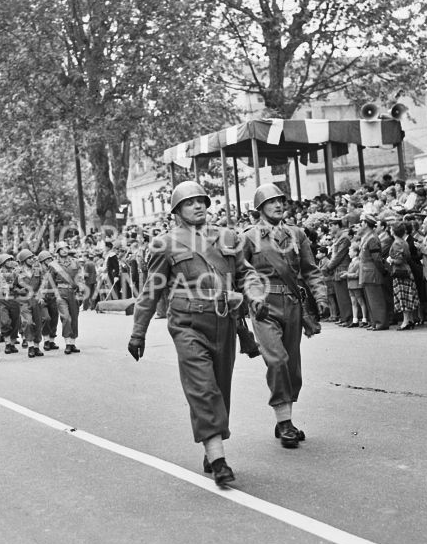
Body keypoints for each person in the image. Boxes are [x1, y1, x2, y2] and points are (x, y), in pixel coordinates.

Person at [129, 181, 252, 487]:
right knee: (203, 388)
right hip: (187, 323)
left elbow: (245, 272)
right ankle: (219, 459)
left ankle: (211, 450)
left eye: (201, 201)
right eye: (190, 203)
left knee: (221, 389)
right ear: (177, 211)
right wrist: (138, 332)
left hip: (224, 320)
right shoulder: (165, 243)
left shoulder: (226, 237)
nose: (198, 206)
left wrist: (253, 294)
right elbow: (152, 289)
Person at [239, 183, 330, 450]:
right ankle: (285, 423)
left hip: (292, 304)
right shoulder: (248, 238)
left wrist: (321, 297)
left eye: (280, 201)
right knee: (277, 361)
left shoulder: (298, 234)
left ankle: (285, 419)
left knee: (291, 366)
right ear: (260, 208)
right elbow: (239, 274)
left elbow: (310, 270)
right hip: (264, 306)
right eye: (271, 202)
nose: (278, 205)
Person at [48, 241, 85, 354]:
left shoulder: (75, 263)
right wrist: (54, 295)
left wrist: (81, 289)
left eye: (66, 248)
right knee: (66, 317)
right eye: (62, 249)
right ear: (58, 251)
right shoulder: (53, 265)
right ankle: (67, 343)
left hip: (73, 292)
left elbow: (80, 277)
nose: (64, 250)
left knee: (74, 318)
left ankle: (73, 343)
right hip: (61, 292)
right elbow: (51, 281)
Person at [357, 215, 389, 330]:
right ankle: (374, 322)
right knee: (370, 299)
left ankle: (381, 322)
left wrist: (382, 270)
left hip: (372, 272)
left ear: (366, 224)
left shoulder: (372, 238)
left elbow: (377, 258)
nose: (360, 224)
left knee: (376, 300)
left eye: (362, 222)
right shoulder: (367, 237)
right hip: (366, 272)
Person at [387, 222, 420, 330]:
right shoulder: (404, 242)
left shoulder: (397, 243)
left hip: (400, 272)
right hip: (406, 270)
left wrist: (391, 260)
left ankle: (406, 321)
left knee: (403, 297)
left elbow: (399, 260)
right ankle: (410, 319)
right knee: (408, 295)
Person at [344, 242, 367, 327]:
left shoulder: (358, 262)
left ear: (356, 252)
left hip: (356, 285)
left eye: (350, 251)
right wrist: (346, 273)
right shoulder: (352, 262)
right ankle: (355, 319)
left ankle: (364, 319)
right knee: (353, 302)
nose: (349, 253)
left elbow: (357, 274)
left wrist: (347, 275)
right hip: (351, 285)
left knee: (360, 301)